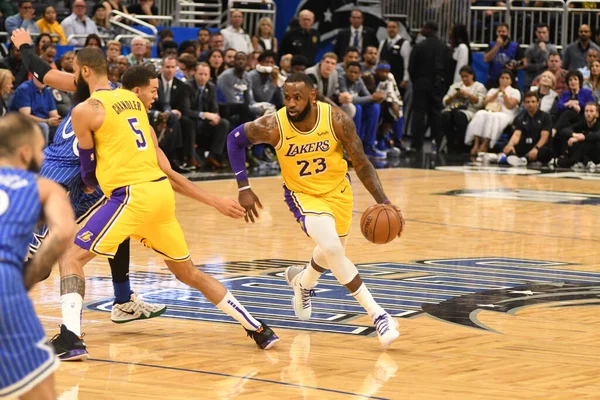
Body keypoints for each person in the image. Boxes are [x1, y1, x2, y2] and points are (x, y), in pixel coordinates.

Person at [48, 48, 279, 355]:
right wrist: (214, 201)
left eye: (75, 71)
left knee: (71, 258)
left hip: (130, 196)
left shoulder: (84, 111)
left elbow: (89, 176)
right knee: (189, 273)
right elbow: (168, 173)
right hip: (160, 197)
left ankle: (71, 339)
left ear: (85, 71)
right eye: (153, 90)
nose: (73, 78)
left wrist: (88, 182)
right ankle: (258, 328)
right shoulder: (135, 107)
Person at [226, 72, 404, 347]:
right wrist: (243, 187)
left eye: (297, 97)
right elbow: (234, 140)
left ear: (312, 96)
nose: (291, 103)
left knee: (332, 251)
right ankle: (378, 314)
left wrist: (384, 201)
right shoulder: (274, 125)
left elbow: (361, 162)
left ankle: (303, 282)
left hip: (339, 192)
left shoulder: (336, 120)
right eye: (287, 97)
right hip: (304, 195)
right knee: (333, 249)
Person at [0, 112, 75, 400]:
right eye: (40, 150)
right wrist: (28, 277)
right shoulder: (43, 186)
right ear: (25, 152)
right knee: (40, 389)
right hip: (5, 283)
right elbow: (63, 232)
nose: (44, 158)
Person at [408, 21, 449, 153]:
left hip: (421, 82)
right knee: (436, 114)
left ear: (430, 30)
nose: (421, 29)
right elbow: (448, 67)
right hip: (438, 83)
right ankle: (439, 143)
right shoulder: (444, 47)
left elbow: (411, 67)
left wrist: (416, 81)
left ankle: (416, 145)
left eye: (424, 27)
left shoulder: (419, 46)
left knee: (419, 113)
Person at [465, 70, 521, 155]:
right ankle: (476, 143)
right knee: (480, 114)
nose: (504, 80)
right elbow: (485, 103)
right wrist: (497, 92)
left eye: (507, 78)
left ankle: (486, 143)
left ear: (511, 80)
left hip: (506, 113)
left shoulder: (515, 91)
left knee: (495, 117)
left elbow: (510, 106)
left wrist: (504, 93)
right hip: (490, 111)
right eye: (502, 78)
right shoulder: (493, 90)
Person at [499, 91, 554, 166]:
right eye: (528, 102)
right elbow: (517, 134)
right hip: (525, 145)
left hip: (538, 146)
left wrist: (536, 148)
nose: (530, 104)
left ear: (538, 103)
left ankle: (522, 160)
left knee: (544, 153)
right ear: (524, 104)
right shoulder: (520, 117)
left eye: (533, 102)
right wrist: (510, 144)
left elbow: (544, 137)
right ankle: (518, 158)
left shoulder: (546, 117)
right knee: (505, 145)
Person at [440, 65, 486, 153]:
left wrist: (467, 95)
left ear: (472, 75)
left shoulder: (479, 86)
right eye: (462, 77)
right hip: (453, 108)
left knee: (459, 116)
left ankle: (461, 144)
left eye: (466, 76)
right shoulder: (455, 86)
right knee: (445, 115)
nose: (464, 79)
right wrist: (454, 96)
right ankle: (449, 142)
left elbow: (480, 103)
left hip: (470, 110)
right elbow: (445, 101)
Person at [556, 102, 600, 169]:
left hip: (597, 153)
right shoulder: (582, 123)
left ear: (597, 114)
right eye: (586, 111)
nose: (588, 114)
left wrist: (583, 137)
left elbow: (597, 135)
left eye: (591, 111)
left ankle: (572, 161)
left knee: (590, 141)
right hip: (585, 153)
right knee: (572, 140)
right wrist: (574, 135)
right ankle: (584, 161)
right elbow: (565, 130)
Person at [483, 23, 527, 89]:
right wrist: (497, 46)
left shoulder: (515, 46)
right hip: (493, 79)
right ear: (496, 33)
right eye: (499, 31)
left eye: (503, 31)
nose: (501, 33)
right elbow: (486, 59)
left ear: (508, 32)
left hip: (510, 80)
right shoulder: (492, 45)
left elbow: (525, 63)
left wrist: (514, 67)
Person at [378, 20, 411, 92]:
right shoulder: (382, 42)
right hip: (383, 78)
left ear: (398, 29)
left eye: (393, 27)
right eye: (389, 27)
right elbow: (378, 59)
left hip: (398, 78)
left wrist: (405, 78)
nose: (391, 29)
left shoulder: (404, 43)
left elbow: (407, 62)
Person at [524, 23, 556, 90]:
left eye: (544, 32)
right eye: (539, 32)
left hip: (548, 81)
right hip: (531, 81)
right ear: (536, 33)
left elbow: (553, 65)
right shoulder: (530, 48)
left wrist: (544, 51)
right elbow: (526, 66)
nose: (541, 35)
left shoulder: (552, 48)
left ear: (548, 33)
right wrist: (542, 65)